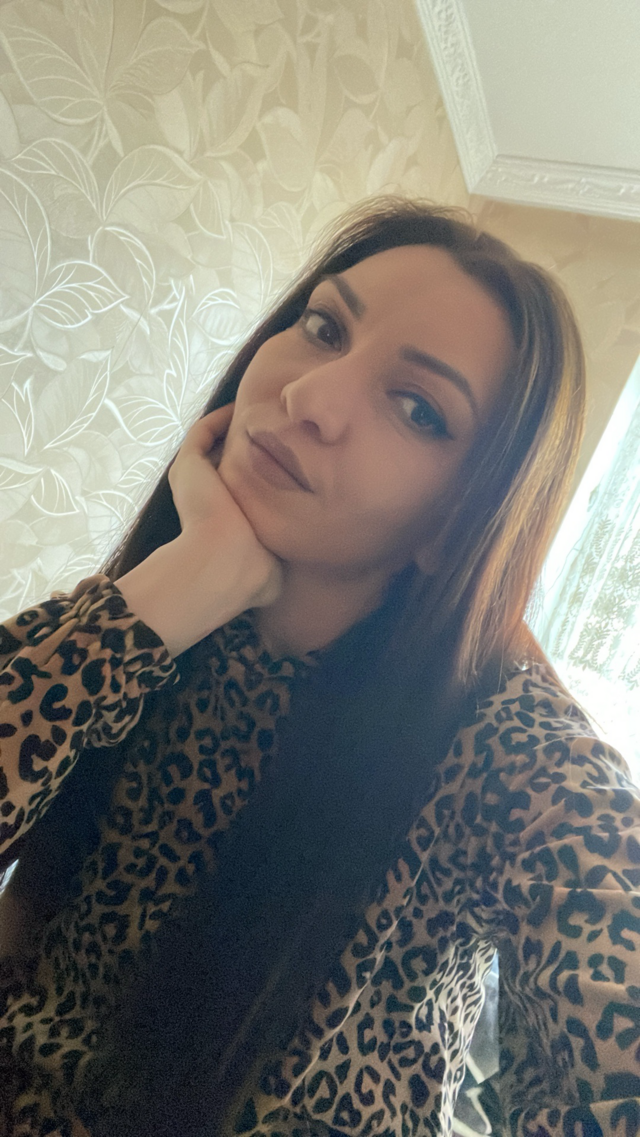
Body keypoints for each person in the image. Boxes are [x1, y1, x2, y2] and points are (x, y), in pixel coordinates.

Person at [0, 198, 638, 1137]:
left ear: (461, 522)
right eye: (325, 327)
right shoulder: (150, 622)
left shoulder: (514, 755)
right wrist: (164, 597)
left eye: (418, 408)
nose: (309, 396)